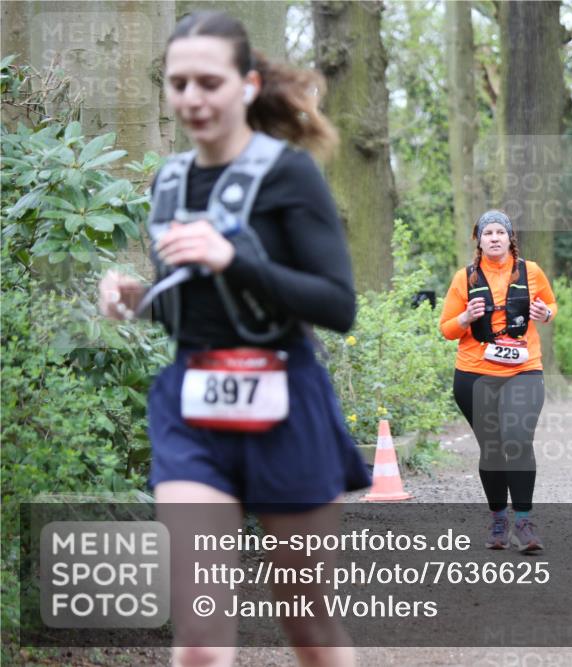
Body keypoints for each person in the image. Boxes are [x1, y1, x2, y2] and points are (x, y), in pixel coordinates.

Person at [98, 11, 369, 666]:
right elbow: (198, 312)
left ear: (247, 85)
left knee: (307, 624)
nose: (192, 98)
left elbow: (337, 306)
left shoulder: (289, 174)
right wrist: (139, 298)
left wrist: (234, 258)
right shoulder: (167, 181)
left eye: (208, 82)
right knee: (198, 638)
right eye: (178, 82)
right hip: (192, 411)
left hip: (285, 405)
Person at [439, 210, 558, 553]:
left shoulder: (530, 271)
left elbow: (550, 305)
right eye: (487, 232)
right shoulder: (465, 278)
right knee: (492, 448)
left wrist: (545, 314)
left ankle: (524, 520)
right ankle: (498, 519)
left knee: (518, 439)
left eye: (499, 232)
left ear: (510, 238)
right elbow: (447, 329)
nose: (494, 237)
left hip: (523, 369)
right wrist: (465, 317)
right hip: (474, 374)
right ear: (478, 239)